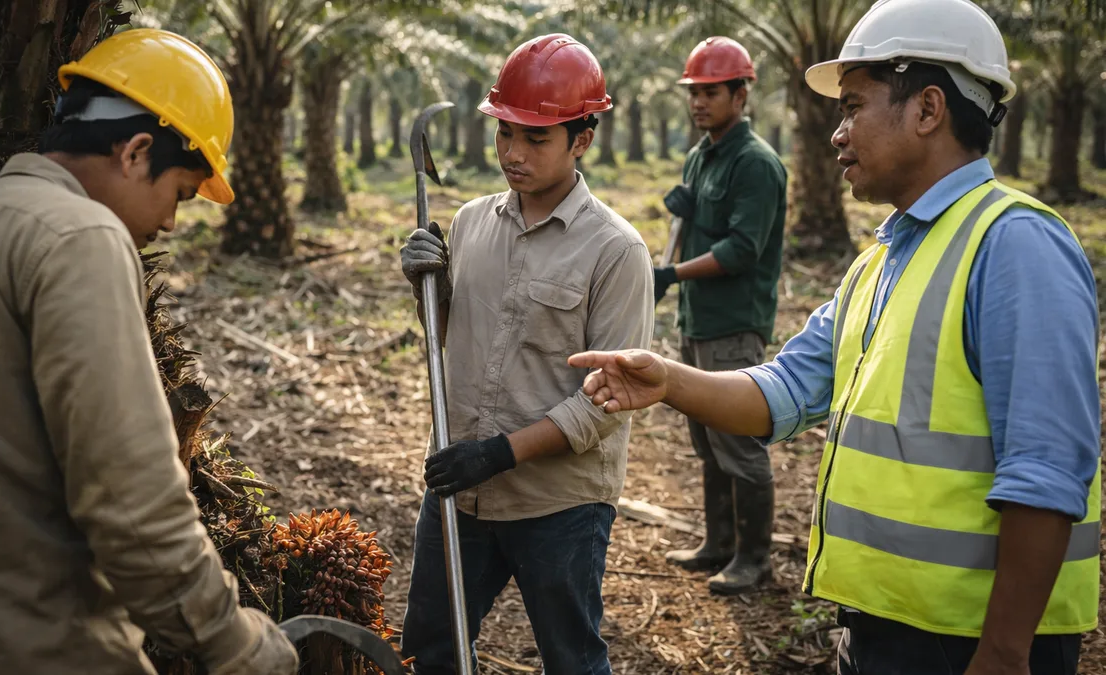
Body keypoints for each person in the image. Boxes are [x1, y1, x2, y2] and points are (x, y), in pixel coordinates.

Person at [568, 1, 1101, 673]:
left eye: (852, 107)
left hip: (971, 644)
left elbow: (1046, 471)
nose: (837, 134)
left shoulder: (1014, 244)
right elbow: (786, 388)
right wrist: (669, 379)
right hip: (880, 628)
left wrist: (1002, 650)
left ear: (927, 109)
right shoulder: (884, 258)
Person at [0, 29, 298, 675]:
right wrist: (237, 641)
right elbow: (132, 502)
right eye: (180, 192)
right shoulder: (79, 235)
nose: (170, 223)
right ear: (137, 151)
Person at [397, 33, 654, 675]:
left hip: (557, 505)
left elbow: (606, 404)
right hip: (462, 491)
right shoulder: (470, 223)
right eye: (505, 132)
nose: (513, 153)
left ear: (582, 139)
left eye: (535, 138)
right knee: (430, 649)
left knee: (571, 659)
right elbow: (457, 336)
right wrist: (425, 287)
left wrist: (499, 453)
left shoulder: (616, 252)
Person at [654, 36, 788, 595]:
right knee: (708, 441)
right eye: (694, 92)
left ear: (741, 93)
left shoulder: (756, 164)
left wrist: (673, 274)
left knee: (737, 443)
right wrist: (687, 211)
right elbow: (706, 227)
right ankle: (720, 544)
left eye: (712, 92)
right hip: (699, 319)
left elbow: (741, 251)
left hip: (734, 322)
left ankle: (755, 558)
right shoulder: (701, 154)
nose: (700, 102)